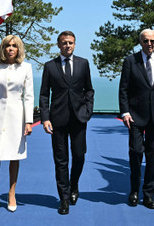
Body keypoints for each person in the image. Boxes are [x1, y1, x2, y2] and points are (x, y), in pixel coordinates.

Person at [118, 29, 154, 210]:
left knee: (153, 158)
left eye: (152, 41)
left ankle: (149, 194)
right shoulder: (130, 62)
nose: (149, 44)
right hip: (135, 117)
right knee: (135, 153)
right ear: (140, 42)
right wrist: (125, 112)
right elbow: (123, 90)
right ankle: (134, 191)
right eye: (146, 41)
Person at [40, 30, 95, 215]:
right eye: (64, 43)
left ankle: (74, 185)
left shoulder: (83, 64)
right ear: (58, 45)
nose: (68, 45)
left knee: (79, 155)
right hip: (58, 120)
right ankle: (63, 198)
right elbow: (43, 94)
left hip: (79, 119)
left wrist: (88, 110)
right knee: (60, 160)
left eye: (71, 42)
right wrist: (45, 118)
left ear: (75, 44)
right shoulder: (50, 66)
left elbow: (89, 90)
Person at [0, 35, 34, 217]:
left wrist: (28, 121)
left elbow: (28, 96)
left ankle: (12, 193)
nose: (11, 49)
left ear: (19, 49)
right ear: (3, 48)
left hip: (16, 115)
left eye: (14, 46)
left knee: (14, 155)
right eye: (8, 46)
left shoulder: (26, 67)